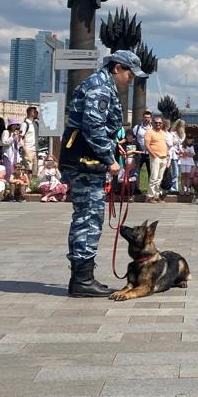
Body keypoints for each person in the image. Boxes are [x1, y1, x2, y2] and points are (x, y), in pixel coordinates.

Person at [59, 49, 143, 297]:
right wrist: (110, 159)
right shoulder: (100, 87)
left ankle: (83, 277)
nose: (131, 78)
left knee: (88, 217)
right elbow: (93, 126)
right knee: (88, 218)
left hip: (89, 160)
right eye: (129, 72)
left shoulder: (103, 84)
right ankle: (82, 280)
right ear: (117, 67)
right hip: (85, 161)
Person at [144, 116, 169, 201]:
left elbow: (165, 144)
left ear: (162, 123)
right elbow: (147, 145)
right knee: (154, 177)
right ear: (152, 123)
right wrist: (153, 155)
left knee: (159, 178)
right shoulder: (149, 132)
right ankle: (150, 196)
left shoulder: (163, 133)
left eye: (160, 123)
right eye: (156, 122)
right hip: (155, 157)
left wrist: (167, 155)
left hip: (164, 157)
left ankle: (156, 196)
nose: (158, 124)